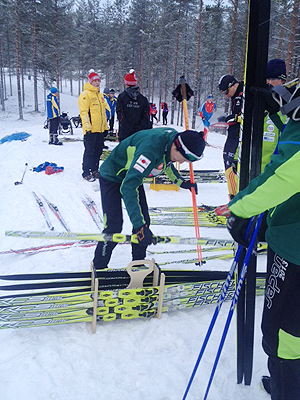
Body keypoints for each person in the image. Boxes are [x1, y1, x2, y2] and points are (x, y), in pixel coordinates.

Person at [226, 81, 300, 400]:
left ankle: (287, 390)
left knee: (284, 333)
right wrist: (279, 114)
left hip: (293, 247)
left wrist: (238, 210)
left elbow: (283, 174)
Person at [92, 128, 206, 269]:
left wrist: (182, 182)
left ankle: (138, 265)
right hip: (112, 176)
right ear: (176, 146)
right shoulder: (150, 150)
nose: (181, 163)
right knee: (114, 225)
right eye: (181, 159)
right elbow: (128, 187)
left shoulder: (171, 143)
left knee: (144, 221)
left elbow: (167, 163)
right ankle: (99, 267)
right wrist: (139, 226)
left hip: (133, 176)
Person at [78, 70, 110, 182]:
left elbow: (103, 113)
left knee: (98, 151)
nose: (97, 83)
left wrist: (105, 127)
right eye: (95, 81)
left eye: (98, 81)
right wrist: (87, 128)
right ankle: (86, 171)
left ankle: (95, 169)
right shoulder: (85, 95)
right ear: (90, 82)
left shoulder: (100, 95)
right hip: (91, 130)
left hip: (100, 130)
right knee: (89, 151)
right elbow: (84, 112)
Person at [218, 74, 243, 199]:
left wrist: (236, 118)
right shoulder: (236, 95)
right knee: (227, 164)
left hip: (241, 137)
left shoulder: (246, 92)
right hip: (233, 134)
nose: (226, 96)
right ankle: (232, 198)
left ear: (233, 85)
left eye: (226, 92)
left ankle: (235, 200)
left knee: (232, 167)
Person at [116, 69, 152, 141]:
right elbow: (146, 116)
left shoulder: (121, 97)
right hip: (140, 134)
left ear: (126, 83)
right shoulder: (143, 99)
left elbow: (120, 115)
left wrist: (128, 128)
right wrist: (138, 128)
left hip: (125, 133)